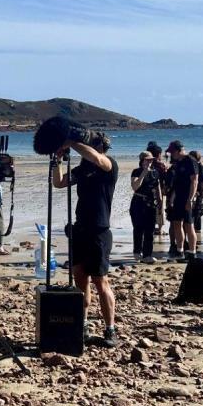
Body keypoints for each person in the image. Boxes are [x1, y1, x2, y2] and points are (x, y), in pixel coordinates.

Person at [52, 132, 120, 347]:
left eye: (88, 146)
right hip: (80, 229)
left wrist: (72, 142)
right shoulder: (83, 170)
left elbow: (98, 159)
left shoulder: (108, 165)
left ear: (99, 147)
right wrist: (58, 160)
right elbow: (59, 183)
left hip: (99, 230)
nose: (83, 149)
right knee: (80, 277)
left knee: (101, 280)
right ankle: (83, 324)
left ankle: (110, 328)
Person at [165, 140, 199, 261]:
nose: (171, 155)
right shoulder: (178, 163)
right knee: (176, 223)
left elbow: (194, 181)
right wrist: (172, 199)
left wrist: (190, 199)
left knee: (189, 225)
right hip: (178, 197)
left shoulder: (190, 161)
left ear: (178, 150)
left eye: (172, 152)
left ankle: (192, 251)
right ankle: (180, 251)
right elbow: (176, 183)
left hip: (187, 197)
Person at [129, 151, 164, 263]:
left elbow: (158, 188)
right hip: (138, 202)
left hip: (151, 204)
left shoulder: (155, 172)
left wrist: (160, 203)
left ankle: (147, 254)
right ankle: (137, 252)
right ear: (142, 160)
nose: (150, 161)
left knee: (150, 230)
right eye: (148, 159)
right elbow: (135, 187)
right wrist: (144, 173)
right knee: (138, 229)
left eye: (151, 159)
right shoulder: (136, 171)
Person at [190, 150, 203, 249]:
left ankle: (197, 239)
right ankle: (197, 237)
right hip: (197, 193)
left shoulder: (199, 167)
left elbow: (202, 183)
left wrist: (201, 195)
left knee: (196, 214)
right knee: (196, 214)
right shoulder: (197, 166)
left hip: (197, 194)